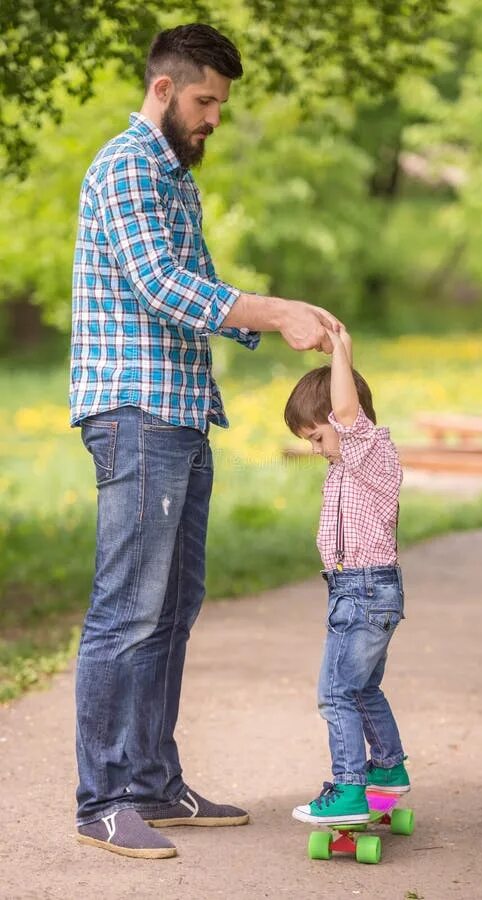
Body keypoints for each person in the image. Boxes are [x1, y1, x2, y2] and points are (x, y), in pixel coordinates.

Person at [70, 23, 342, 860]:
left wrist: (281, 314)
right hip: (136, 412)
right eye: (204, 101)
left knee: (173, 609)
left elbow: (195, 286)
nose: (213, 118)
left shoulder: (171, 177)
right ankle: (104, 798)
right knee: (128, 610)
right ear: (164, 89)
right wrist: (274, 311)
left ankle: (151, 781)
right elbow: (160, 285)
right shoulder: (126, 165)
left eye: (220, 103)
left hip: (181, 412)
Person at [283, 327, 410, 825]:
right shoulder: (345, 466)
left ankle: (349, 788)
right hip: (358, 591)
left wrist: (341, 351)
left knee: (336, 693)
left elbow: (346, 415)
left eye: (317, 436)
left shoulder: (369, 451)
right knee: (361, 689)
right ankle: (389, 769)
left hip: (363, 591)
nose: (316, 448)